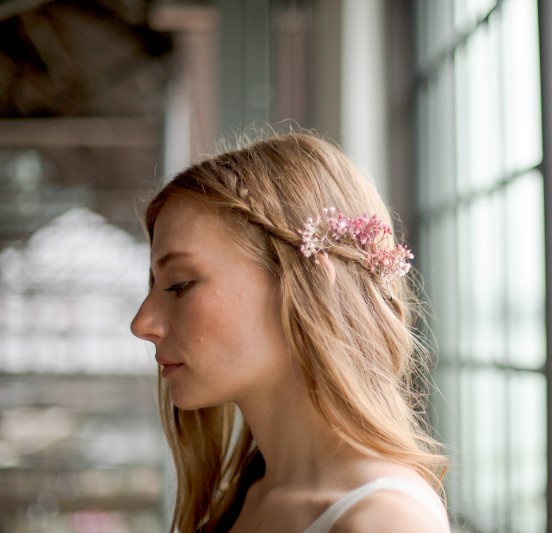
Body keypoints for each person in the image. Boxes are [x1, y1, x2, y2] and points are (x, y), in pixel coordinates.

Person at [130, 132, 450, 532]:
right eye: (153, 285)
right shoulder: (246, 496)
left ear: (306, 286)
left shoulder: (383, 522)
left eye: (179, 284)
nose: (141, 324)